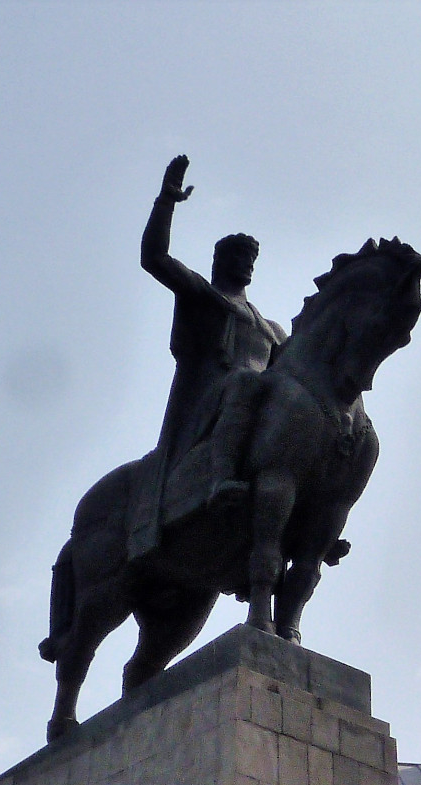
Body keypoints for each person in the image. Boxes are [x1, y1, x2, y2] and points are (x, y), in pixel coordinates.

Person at [128, 154, 287, 556]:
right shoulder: (205, 296)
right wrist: (165, 201)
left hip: (255, 395)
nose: (246, 265)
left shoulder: (272, 328)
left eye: (251, 259)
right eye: (238, 258)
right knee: (246, 380)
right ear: (220, 261)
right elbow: (155, 259)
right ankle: (220, 478)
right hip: (212, 397)